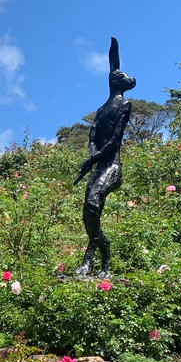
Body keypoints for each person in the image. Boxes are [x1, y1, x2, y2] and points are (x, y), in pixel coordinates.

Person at [74, 36, 136, 278]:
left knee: (92, 203)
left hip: (111, 167)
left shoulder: (124, 105)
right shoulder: (101, 109)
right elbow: (92, 135)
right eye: (114, 73)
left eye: (119, 74)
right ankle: (89, 262)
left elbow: (115, 140)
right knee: (90, 212)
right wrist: (91, 153)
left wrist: (94, 158)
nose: (114, 74)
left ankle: (106, 255)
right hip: (98, 165)